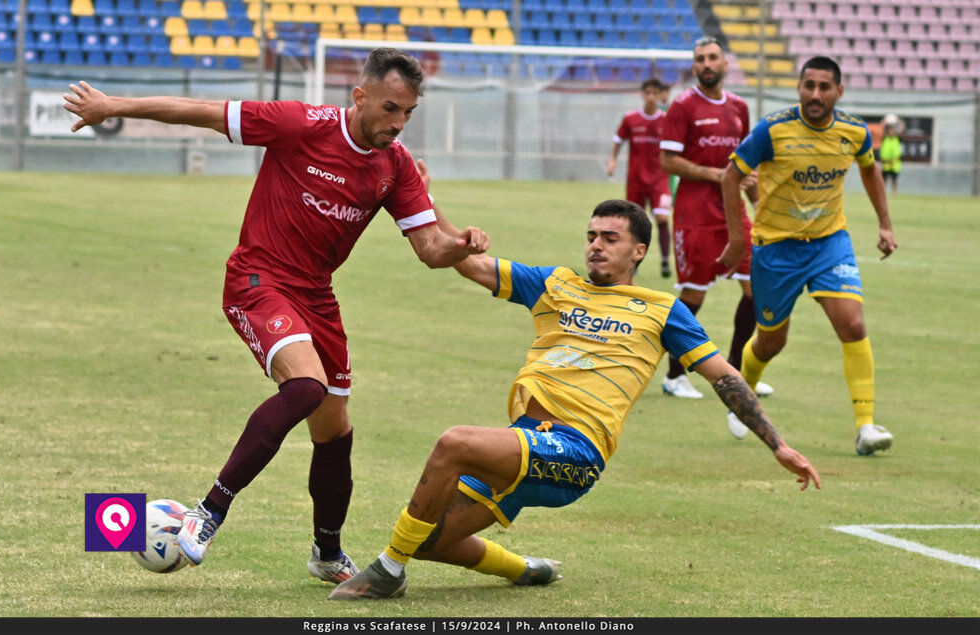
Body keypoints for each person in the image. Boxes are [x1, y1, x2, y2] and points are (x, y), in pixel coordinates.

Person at [62, 47, 490, 580]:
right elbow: (203, 111)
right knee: (306, 387)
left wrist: (461, 247)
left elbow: (430, 248)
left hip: (317, 297)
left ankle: (327, 555)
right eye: (389, 109)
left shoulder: (395, 165)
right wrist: (112, 106)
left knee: (335, 434)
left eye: (407, 113)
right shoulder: (300, 124)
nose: (397, 124)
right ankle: (208, 513)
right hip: (257, 279)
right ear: (359, 97)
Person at [327, 197, 821, 600]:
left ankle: (386, 572)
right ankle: (526, 570)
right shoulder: (554, 284)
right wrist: (425, 202)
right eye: (591, 236)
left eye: (610, 238)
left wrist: (776, 444)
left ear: (639, 251)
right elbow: (472, 265)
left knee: (453, 443)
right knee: (433, 541)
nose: (596, 246)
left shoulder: (661, 310)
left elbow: (725, 377)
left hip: (576, 452)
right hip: (523, 443)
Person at [718, 55, 898, 456]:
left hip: (829, 243)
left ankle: (866, 427)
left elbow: (869, 168)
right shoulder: (773, 130)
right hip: (775, 250)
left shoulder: (854, 131)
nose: (815, 94)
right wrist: (736, 239)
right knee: (770, 343)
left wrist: (884, 223)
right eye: (808, 85)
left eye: (824, 86)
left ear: (839, 91)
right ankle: (740, 397)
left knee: (852, 324)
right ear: (799, 87)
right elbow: (731, 175)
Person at [658, 36, 772, 440]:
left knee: (757, 292)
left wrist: (761, 207)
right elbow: (667, 160)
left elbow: (746, 167)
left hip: (734, 213)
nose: (706, 64)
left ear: (725, 62)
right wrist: (716, 175)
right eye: (699, 59)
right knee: (693, 299)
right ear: (695, 65)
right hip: (694, 214)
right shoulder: (683, 106)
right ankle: (673, 376)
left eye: (712, 57)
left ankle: (736, 372)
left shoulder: (739, 107)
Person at [606, 77, 673, 279]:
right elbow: (618, 141)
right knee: (634, 223)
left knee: (662, 218)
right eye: (648, 93)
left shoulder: (667, 120)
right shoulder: (631, 119)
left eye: (655, 93)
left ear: (660, 95)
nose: (651, 97)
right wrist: (612, 160)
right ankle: (634, 262)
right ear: (642, 94)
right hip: (636, 180)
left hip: (660, 180)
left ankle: (665, 261)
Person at [878, 119, 902, 194]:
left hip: (894, 164)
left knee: (894, 180)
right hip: (886, 163)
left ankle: (895, 193)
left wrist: (898, 121)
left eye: (892, 130)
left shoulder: (897, 139)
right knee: (884, 179)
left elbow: (897, 152)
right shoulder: (885, 139)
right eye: (889, 130)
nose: (891, 132)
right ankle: (882, 193)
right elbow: (883, 151)